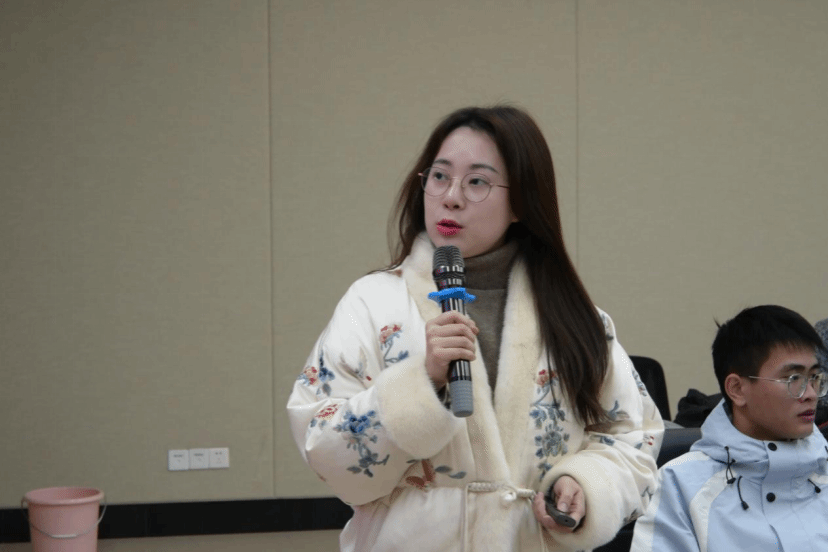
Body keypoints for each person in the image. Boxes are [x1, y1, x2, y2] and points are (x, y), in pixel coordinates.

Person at [287, 105, 664, 551]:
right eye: (439, 176)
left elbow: (632, 437)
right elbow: (321, 443)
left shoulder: (576, 319)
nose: (451, 197)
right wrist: (423, 383)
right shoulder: (372, 303)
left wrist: (584, 484)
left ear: (521, 202)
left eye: (477, 182)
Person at [631, 305, 828, 552]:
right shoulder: (681, 485)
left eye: (814, 378)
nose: (811, 394)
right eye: (793, 379)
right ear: (736, 389)